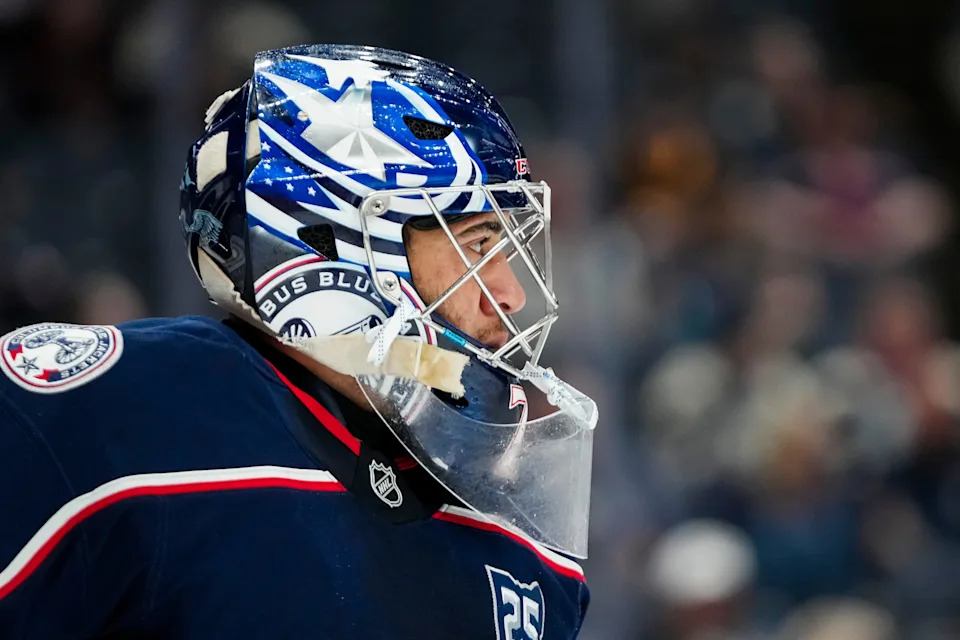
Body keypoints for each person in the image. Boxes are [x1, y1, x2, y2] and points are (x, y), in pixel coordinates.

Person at [0, 44, 597, 638]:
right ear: (337, 238)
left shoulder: (519, 533)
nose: (510, 295)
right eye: (477, 244)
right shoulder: (121, 421)